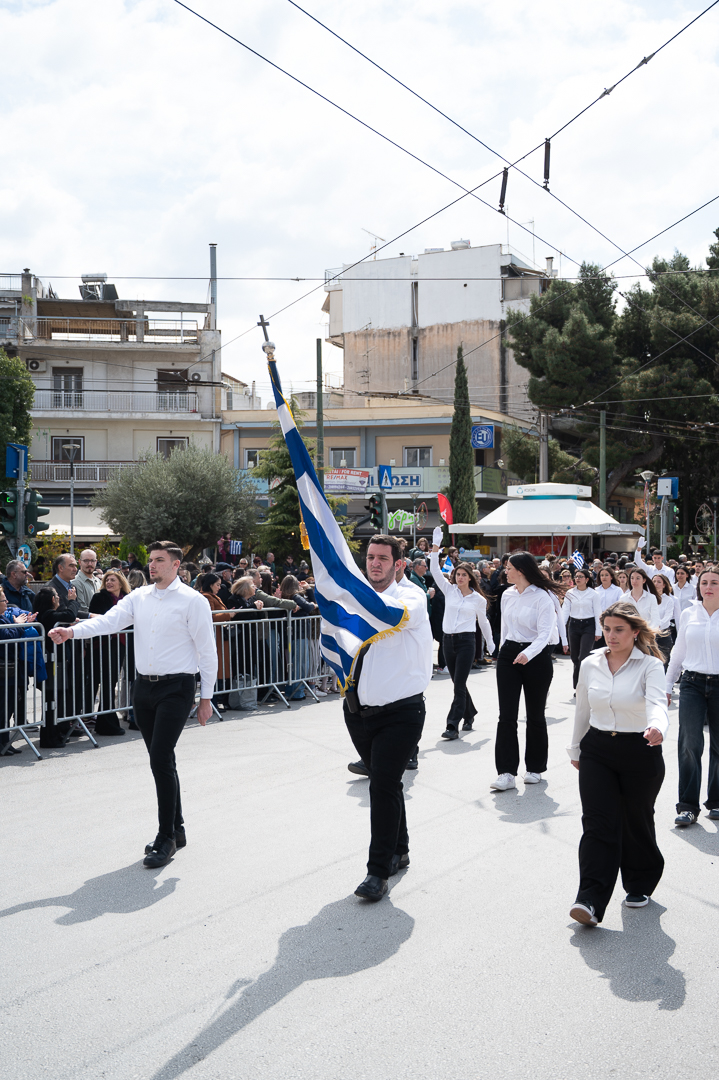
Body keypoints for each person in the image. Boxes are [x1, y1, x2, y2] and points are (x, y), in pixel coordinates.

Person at [49, 541, 217, 869]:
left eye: (159, 560)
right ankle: (177, 829)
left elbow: (207, 650)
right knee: (162, 759)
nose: (152, 565)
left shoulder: (193, 601)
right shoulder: (138, 597)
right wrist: (72, 632)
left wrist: (206, 697)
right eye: (150, 559)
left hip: (177, 688)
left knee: (160, 758)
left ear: (176, 564)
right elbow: (108, 622)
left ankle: (165, 837)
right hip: (144, 688)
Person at [344, 534, 433, 902]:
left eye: (382, 558)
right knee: (388, 783)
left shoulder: (411, 597)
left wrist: (350, 592)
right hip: (358, 711)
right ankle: (401, 849)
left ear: (399, 564)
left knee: (381, 785)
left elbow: (392, 614)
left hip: (401, 712)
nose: (374, 564)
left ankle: (377, 871)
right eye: (370, 557)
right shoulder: (358, 595)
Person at [568, 602, 668, 926]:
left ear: (635, 632)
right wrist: (575, 748)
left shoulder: (650, 666)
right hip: (597, 749)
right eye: (607, 629)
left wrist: (658, 728)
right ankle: (589, 900)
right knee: (597, 823)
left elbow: (657, 702)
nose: (611, 636)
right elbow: (583, 709)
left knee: (635, 820)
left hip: (640, 748)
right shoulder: (590, 663)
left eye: (619, 630)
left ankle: (639, 882)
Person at [491, 551, 562, 792]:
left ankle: (534, 768)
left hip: (536, 656)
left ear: (521, 571)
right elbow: (505, 627)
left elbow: (545, 633)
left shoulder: (543, 597)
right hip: (509, 655)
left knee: (535, 715)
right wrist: (502, 651)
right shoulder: (507, 594)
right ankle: (506, 772)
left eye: (509, 568)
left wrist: (528, 654)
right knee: (506, 715)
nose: (505, 571)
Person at [666, 567, 719, 826]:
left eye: (714, 583)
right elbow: (678, 651)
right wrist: (667, 685)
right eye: (704, 582)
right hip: (692, 684)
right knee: (689, 744)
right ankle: (687, 806)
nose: (708, 587)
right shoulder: (689, 613)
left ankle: (716, 802)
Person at [429, 533, 493, 739]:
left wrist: (491, 643)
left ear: (470, 577)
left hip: (466, 642)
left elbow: (483, 622)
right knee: (458, 683)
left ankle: (452, 725)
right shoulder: (449, 590)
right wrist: (436, 545)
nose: (460, 578)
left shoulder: (478, 599)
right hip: (448, 641)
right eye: (458, 574)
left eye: (464, 575)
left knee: (458, 684)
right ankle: (470, 712)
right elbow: (434, 570)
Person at [87, 570, 132, 736]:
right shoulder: (100, 597)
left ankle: (105, 720)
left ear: (121, 582)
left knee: (112, 682)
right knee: (105, 682)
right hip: (103, 644)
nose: (109, 583)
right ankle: (105, 722)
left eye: (113, 580)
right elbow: (100, 620)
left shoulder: (127, 598)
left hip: (121, 644)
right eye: (107, 580)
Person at [562, 567, 602, 689]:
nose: (578, 579)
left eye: (581, 577)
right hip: (574, 625)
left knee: (584, 656)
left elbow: (598, 612)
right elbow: (565, 612)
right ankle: (578, 684)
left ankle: (582, 686)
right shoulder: (570, 593)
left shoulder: (593, 594)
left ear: (587, 579)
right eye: (576, 576)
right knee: (574, 657)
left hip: (588, 625)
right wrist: (561, 629)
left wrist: (598, 631)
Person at [50, 554, 80, 618]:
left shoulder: (72, 587)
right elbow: (64, 613)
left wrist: (90, 615)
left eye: (75, 566)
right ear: (60, 568)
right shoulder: (50, 588)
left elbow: (75, 611)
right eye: (71, 566)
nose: (75, 569)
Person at [72, 548, 101, 616]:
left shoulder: (99, 582)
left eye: (92, 561)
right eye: (86, 561)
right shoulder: (75, 582)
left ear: (96, 562)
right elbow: (82, 609)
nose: (90, 564)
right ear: (80, 562)